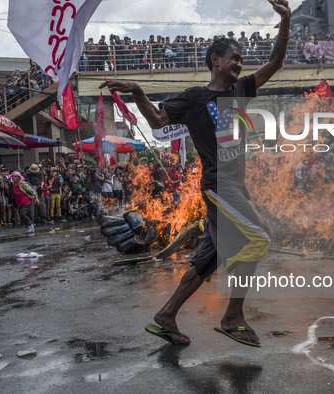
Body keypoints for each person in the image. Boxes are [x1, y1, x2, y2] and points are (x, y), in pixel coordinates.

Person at [100, 0, 291, 347]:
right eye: (233, 56)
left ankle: (166, 316)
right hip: (218, 185)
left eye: (241, 59)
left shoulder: (242, 90)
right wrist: (140, 92)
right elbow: (158, 122)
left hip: (236, 188)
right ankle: (232, 317)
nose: (239, 63)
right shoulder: (194, 98)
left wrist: (285, 20)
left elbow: (276, 62)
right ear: (215, 60)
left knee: (209, 259)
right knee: (257, 239)